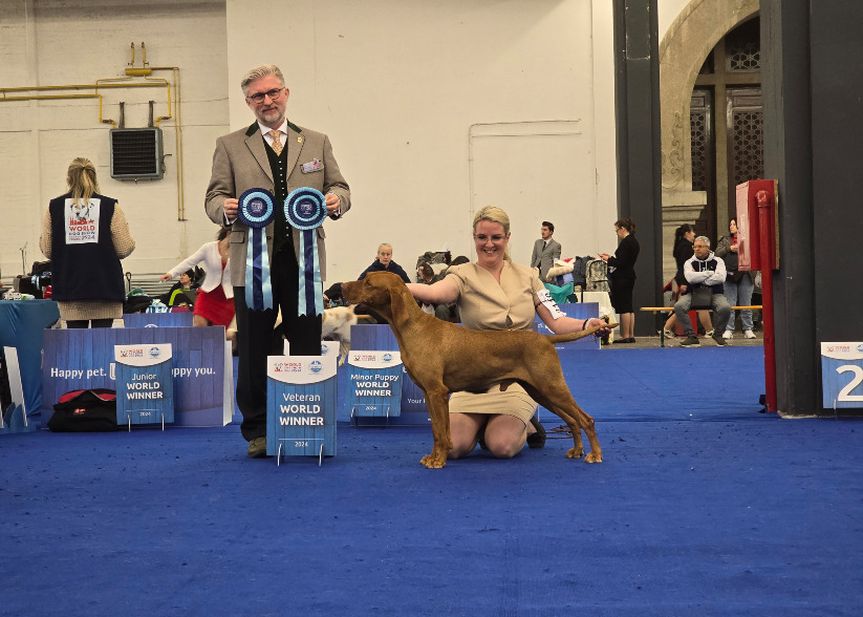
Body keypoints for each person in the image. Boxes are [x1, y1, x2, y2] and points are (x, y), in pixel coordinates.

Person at [204, 64, 351, 458]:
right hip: (252, 265)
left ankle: (308, 420)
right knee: (254, 348)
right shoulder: (229, 145)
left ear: (286, 94)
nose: (266, 101)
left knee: (307, 342)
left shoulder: (317, 141)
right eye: (258, 96)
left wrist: (336, 201)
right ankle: (258, 430)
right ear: (248, 102)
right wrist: (224, 209)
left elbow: (340, 187)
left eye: (272, 93)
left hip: (305, 264)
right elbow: (213, 197)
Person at [406, 206, 608, 460]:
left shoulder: (529, 275)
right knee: (454, 447)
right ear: (474, 238)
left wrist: (587, 324)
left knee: (502, 446)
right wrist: (399, 287)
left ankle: (526, 425)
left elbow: (556, 320)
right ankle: (483, 426)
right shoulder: (461, 274)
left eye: (496, 237)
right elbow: (436, 293)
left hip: (519, 366)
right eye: (482, 237)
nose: (489, 244)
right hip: (472, 377)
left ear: (507, 238)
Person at [39, 157, 135, 328]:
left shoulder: (54, 207)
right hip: (105, 288)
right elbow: (124, 248)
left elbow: (48, 250)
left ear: (69, 179)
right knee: (102, 341)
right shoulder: (110, 206)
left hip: (70, 287)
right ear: (94, 177)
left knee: (76, 341)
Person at [160, 227, 234, 329]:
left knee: (225, 332)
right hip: (208, 294)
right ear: (228, 233)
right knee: (199, 324)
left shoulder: (240, 252)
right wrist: (171, 273)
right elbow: (190, 261)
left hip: (228, 297)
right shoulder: (208, 248)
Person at [673, 236, 731, 347]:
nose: (696, 249)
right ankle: (691, 336)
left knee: (725, 308)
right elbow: (690, 278)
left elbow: (721, 278)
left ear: (708, 248)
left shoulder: (718, 261)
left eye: (700, 246)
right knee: (679, 306)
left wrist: (699, 279)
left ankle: (718, 334)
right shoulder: (689, 262)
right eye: (694, 247)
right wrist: (709, 273)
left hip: (715, 293)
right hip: (693, 293)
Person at [662, 224, 713, 339]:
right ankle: (709, 330)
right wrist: (685, 283)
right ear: (687, 234)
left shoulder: (681, 245)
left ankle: (666, 328)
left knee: (682, 307)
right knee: (700, 305)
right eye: (692, 231)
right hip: (687, 280)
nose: (694, 234)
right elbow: (686, 266)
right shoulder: (686, 247)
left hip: (683, 279)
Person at [598, 218, 640, 343]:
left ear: (623, 229)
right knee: (629, 307)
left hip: (622, 277)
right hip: (629, 275)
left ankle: (625, 335)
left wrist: (608, 259)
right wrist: (611, 258)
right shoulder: (634, 241)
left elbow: (621, 262)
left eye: (617, 230)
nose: (617, 233)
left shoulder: (626, 242)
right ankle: (630, 335)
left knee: (623, 307)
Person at [715, 219, 756, 340]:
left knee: (746, 303)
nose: (731, 226)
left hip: (746, 273)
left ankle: (748, 328)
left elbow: (755, 252)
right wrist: (729, 248)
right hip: (729, 274)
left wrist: (743, 248)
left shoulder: (749, 238)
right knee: (730, 303)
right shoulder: (724, 240)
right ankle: (729, 329)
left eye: (734, 224)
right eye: (730, 224)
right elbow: (717, 254)